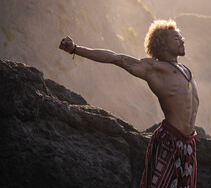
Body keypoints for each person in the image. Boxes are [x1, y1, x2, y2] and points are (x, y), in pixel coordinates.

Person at [59, 19, 199, 188]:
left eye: (181, 37)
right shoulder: (154, 69)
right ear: (163, 44)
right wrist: (75, 49)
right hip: (169, 141)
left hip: (188, 145)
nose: (182, 40)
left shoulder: (186, 70)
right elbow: (114, 58)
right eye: (176, 38)